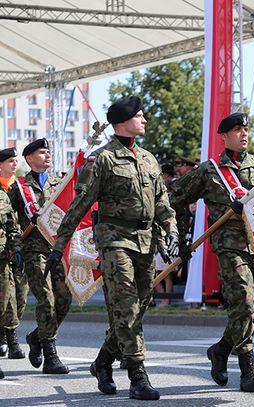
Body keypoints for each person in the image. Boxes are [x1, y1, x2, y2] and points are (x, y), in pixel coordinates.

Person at [44, 96, 181, 400]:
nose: (144, 120)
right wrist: (59, 245)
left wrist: (171, 231)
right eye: (140, 116)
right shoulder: (102, 159)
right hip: (114, 240)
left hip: (145, 241)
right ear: (123, 121)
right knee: (126, 307)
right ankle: (137, 375)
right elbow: (78, 205)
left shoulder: (148, 158)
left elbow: (162, 203)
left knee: (138, 307)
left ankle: (103, 361)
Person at [170, 112, 254, 393]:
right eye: (237, 130)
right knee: (245, 304)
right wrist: (180, 238)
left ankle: (222, 349)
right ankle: (248, 370)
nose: (243, 134)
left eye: (246, 129)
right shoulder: (210, 170)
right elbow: (175, 198)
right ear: (224, 136)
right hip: (230, 246)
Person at [8, 139, 72, 374]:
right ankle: (50, 354)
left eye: (48, 152)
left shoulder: (59, 185)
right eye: (42, 153)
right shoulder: (19, 189)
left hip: (57, 250)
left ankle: (36, 336)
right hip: (34, 252)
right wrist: (15, 247)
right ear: (29, 159)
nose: (47, 156)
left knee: (64, 300)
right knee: (46, 300)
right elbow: (9, 221)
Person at [0, 148, 27, 360]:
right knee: (6, 296)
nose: (14, 164)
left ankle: (9, 336)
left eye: (15, 160)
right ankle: (8, 338)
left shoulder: (17, 188)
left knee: (17, 296)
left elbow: (12, 225)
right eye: (10, 160)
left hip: (8, 252)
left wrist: (16, 248)